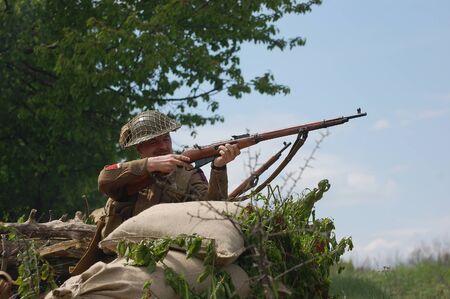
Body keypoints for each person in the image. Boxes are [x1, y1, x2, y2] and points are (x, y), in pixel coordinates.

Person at [71, 110, 240, 275]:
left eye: (166, 138)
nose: (163, 146)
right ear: (139, 148)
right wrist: (150, 165)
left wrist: (219, 167)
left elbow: (213, 210)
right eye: (154, 141)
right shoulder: (130, 174)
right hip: (117, 256)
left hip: (168, 257)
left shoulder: (188, 173)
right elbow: (104, 179)